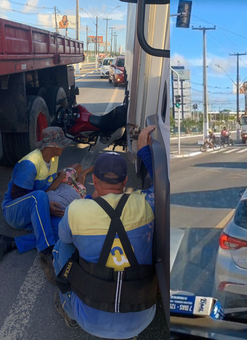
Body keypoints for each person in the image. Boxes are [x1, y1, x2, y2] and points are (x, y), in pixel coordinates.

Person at [52, 125, 156, 339]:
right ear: (126, 181)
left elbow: (65, 240)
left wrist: (90, 201)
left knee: (62, 245)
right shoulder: (147, 203)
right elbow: (163, 184)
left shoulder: (76, 210)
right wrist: (144, 148)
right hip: (142, 318)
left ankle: (70, 310)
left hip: (89, 321)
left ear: (94, 181)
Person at [0, 127, 71, 283]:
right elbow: (17, 196)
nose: (64, 147)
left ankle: (12, 243)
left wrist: (60, 177)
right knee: (39, 197)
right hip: (14, 210)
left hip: (34, 208)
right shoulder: (29, 164)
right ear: (51, 146)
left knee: (64, 226)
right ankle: (46, 252)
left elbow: (48, 188)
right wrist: (44, 204)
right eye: (62, 144)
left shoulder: (53, 159)